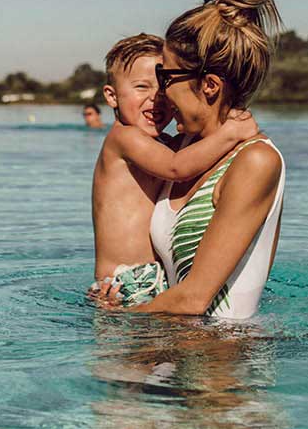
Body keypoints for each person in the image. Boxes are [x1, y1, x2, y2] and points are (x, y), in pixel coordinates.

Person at [128, 0, 285, 319]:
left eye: (166, 77)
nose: (161, 92)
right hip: (170, 343)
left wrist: (109, 323)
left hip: (222, 353)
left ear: (210, 85)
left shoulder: (256, 161)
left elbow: (193, 300)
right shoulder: (180, 153)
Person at [90, 33, 259, 306]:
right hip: (124, 281)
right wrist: (232, 133)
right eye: (141, 87)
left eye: (163, 87)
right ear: (111, 96)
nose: (155, 98)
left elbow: (191, 153)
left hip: (147, 279)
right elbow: (176, 168)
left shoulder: (161, 145)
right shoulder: (123, 139)